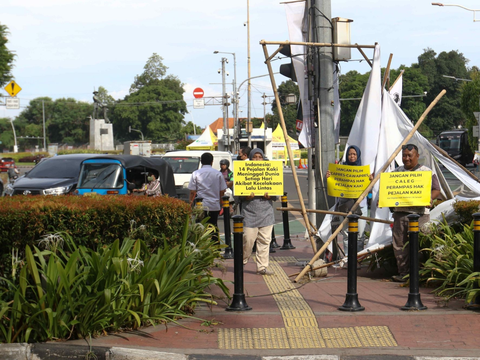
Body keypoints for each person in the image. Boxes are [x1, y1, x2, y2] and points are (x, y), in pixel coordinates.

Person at [391, 144, 441, 283]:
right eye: (404, 155)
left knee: (420, 243)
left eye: (409, 155)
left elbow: (437, 189)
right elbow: (388, 192)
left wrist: (430, 198)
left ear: (417, 156)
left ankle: (421, 273)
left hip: (420, 215)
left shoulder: (427, 172)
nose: (406, 158)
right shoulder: (395, 173)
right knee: (399, 245)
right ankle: (404, 274)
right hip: (400, 214)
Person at [326, 145, 372, 258]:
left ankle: (358, 258)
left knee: (360, 235)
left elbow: (369, 190)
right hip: (344, 206)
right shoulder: (341, 170)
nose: (352, 156)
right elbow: (334, 185)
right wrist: (329, 178)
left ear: (358, 155)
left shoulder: (363, 171)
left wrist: (370, 180)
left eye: (354, 154)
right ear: (346, 155)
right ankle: (347, 257)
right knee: (346, 234)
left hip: (360, 206)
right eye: (350, 154)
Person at [240, 148, 277, 275]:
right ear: (250, 158)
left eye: (259, 157)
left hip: (266, 213)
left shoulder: (270, 171)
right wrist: (246, 197)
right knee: (248, 240)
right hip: (249, 214)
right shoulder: (243, 172)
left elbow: (276, 194)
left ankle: (262, 267)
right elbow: (237, 195)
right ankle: (243, 260)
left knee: (265, 241)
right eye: (254, 157)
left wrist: (270, 196)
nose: (257, 159)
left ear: (263, 158)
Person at [188, 152, 227, 245]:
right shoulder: (218, 174)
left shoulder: (196, 173)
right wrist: (221, 203)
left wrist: (190, 204)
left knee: (200, 227)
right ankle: (216, 249)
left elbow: (192, 191)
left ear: (201, 161)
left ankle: (200, 247)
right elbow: (222, 191)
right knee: (213, 226)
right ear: (212, 162)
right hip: (214, 205)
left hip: (200, 206)